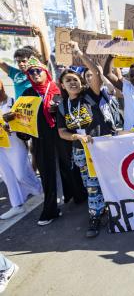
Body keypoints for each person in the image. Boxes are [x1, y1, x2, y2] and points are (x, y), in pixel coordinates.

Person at [3, 57, 87, 225]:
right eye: (30, 72)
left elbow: (73, 107)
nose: (34, 74)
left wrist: (58, 111)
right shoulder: (27, 94)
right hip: (41, 138)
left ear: (45, 72)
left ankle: (78, 196)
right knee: (47, 174)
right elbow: (22, 119)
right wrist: (11, 121)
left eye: (37, 71)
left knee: (69, 167)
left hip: (62, 134)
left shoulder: (58, 89)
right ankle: (50, 210)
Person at [56, 42, 116, 238]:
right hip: (82, 152)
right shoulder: (63, 106)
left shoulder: (90, 95)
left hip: (103, 148)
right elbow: (62, 132)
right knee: (92, 186)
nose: (72, 83)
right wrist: (75, 136)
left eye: (74, 79)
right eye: (68, 81)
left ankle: (115, 211)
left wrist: (79, 53)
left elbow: (96, 74)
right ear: (63, 86)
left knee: (111, 180)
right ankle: (95, 217)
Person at [0, 80, 42, 220]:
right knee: (7, 176)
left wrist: (11, 125)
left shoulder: (15, 103)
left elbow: (26, 124)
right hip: (1, 147)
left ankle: (38, 188)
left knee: (20, 174)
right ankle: (17, 205)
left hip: (15, 143)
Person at [0, 26, 49, 98]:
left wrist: (41, 36)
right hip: (19, 108)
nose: (21, 64)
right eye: (18, 61)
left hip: (37, 108)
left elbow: (45, 58)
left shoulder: (38, 72)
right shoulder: (15, 73)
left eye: (24, 61)